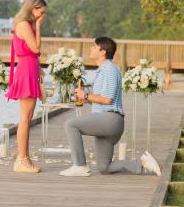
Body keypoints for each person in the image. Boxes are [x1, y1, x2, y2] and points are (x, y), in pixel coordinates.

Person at [59, 37, 162, 177]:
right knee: (104, 168)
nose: (91, 49)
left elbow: (107, 100)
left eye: (94, 47)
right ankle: (142, 163)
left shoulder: (109, 70)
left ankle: (80, 165)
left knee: (70, 125)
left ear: (103, 51)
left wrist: (87, 95)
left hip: (110, 120)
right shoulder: (103, 70)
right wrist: (85, 98)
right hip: (105, 121)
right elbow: (102, 99)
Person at [5, 0, 47, 173]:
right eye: (41, 12)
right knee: (25, 116)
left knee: (28, 117)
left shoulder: (24, 25)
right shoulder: (24, 25)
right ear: (33, 8)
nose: (42, 16)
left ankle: (23, 158)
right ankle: (22, 159)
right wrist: (38, 26)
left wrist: (38, 69)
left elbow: (32, 52)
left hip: (29, 68)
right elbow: (36, 49)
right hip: (26, 70)